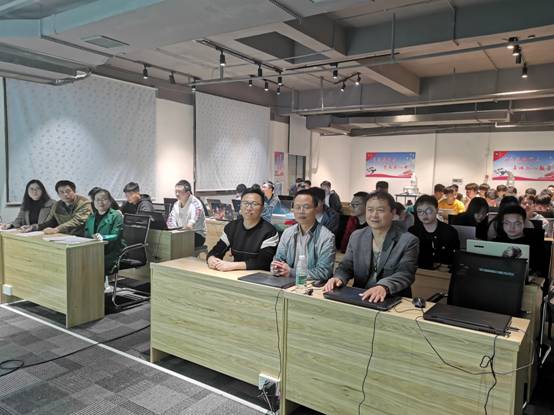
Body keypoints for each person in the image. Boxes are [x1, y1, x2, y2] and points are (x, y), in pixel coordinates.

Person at [323, 191, 419, 302]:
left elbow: (405, 273)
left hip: (392, 298)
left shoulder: (408, 240)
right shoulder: (357, 236)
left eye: (380, 210)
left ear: (393, 213)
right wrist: (338, 278)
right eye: (370, 210)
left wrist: (383, 286)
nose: (374, 215)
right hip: (361, 296)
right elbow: (346, 266)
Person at [272, 189, 336, 284]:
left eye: (306, 207)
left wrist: (292, 272)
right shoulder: (287, 233)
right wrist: (276, 267)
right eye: (297, 207)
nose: (301, 211)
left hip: (313, 286)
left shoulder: (327, 237)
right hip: (286, 283)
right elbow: (278, 259)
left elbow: (324, 272)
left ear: (316, 209)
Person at [207, 188, 278, 272]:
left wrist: (233, 265)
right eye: (245, 203)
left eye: (254, 204)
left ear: (262, 208)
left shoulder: (269, 231)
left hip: (258, 276)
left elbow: (264, 262)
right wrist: (211, 258)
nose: (249, 208)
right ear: (240, 205)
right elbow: (217, 250)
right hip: (236, 274)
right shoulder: (231, 227)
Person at [22, 180, 92, 235]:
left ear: (74, 191)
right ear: (58, 194)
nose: (65, 194)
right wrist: (34, 227)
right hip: (64, 237)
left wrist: (57, 229)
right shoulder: (57, 205)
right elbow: (50, 222)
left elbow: (77, 221)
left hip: (82, 237)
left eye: (68, 191)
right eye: (61, 192)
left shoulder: (84, 203)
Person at [408, 195, 460, 269]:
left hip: (443, 272)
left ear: (437, 210)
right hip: (418, 271)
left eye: (428, 210)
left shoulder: (450, 232)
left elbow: (455, 258)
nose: (424, 214)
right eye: (420, 211)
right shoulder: (412, 231)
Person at [493, 205, 545, 276]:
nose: (511, 227)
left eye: (517, 223)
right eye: (507, 223)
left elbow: (540, 271)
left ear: (524, 223)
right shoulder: (496, 242)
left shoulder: (535, 245)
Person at [84, 189, 124, 274]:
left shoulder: (116, 215)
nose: (100, 202)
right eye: (97, 200)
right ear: (93, 202)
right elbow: (87, 235)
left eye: (104, 199)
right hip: (94, 250)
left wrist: (103, 237)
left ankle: (98, 282)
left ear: (110, 201)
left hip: (112, 251)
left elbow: (116, 235)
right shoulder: (91, 217)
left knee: (93, 264)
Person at [167, 179, 207, 247]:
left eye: (179, 192)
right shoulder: (176, 204)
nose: (177, 194)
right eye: (176, 191)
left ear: (188, 193)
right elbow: (170, 221)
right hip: (181, 233)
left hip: (197, 235)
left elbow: (190, 225)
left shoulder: (196, 204)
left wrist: (179, 231)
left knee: (175, 244)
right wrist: (172, 230)